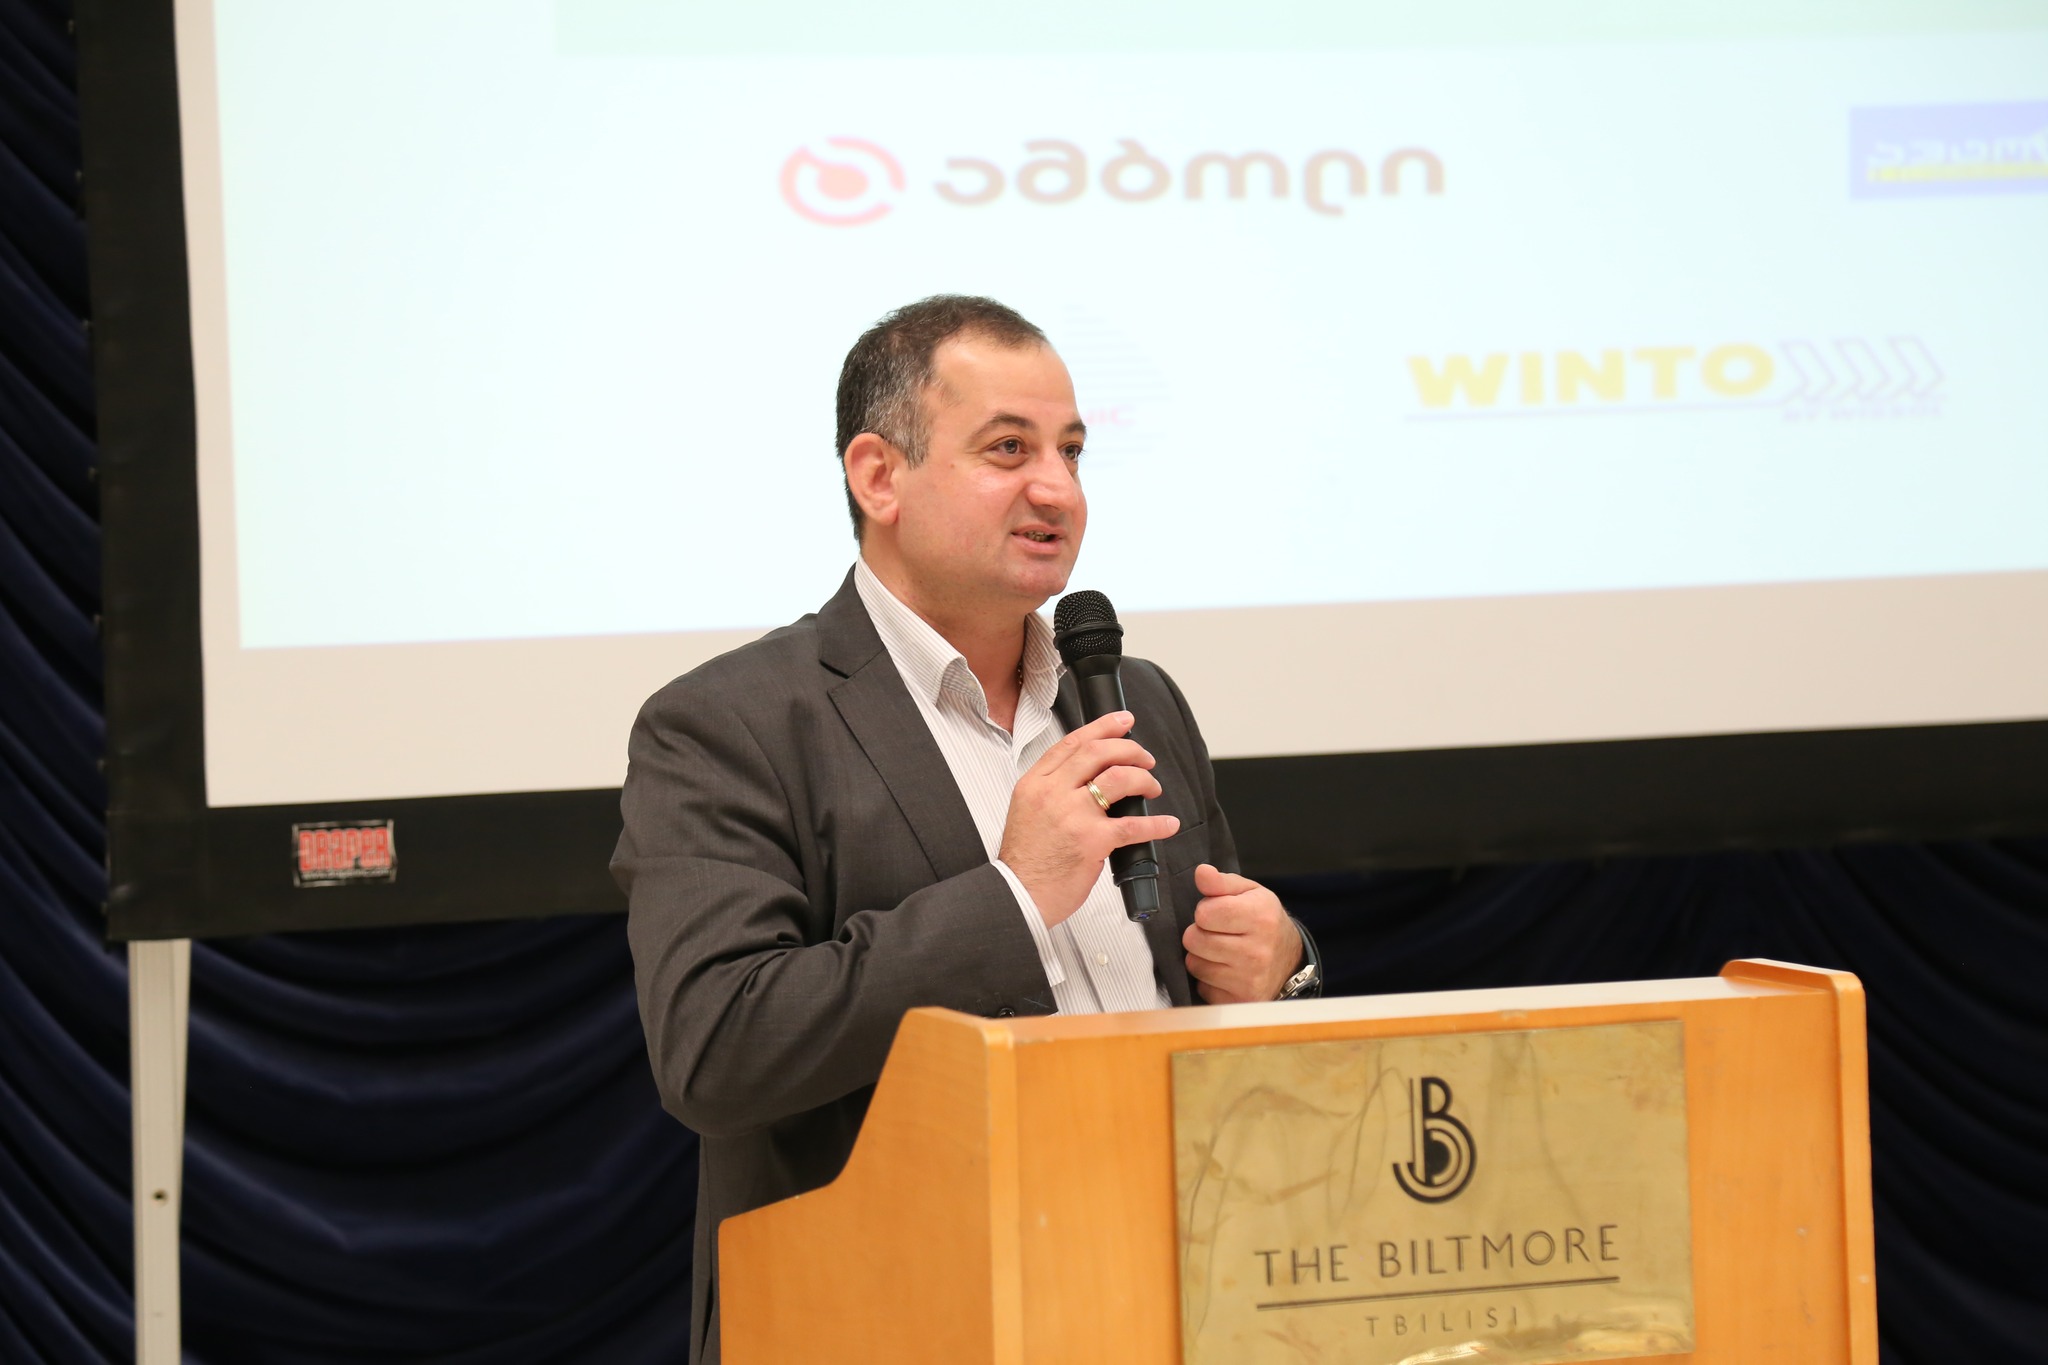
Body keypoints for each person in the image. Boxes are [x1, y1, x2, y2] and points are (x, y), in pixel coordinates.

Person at [614, 295, 1321, 1363]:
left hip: (1171, 1294)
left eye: (1070, 451)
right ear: (877, 475)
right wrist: (1012, 896)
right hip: (896, 1315)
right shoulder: (730, 723)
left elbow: (1211, 987)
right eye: (1007, 449)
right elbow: (716, 1051)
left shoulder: (1133, 696)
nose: (1058, 489)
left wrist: (1278, 968)